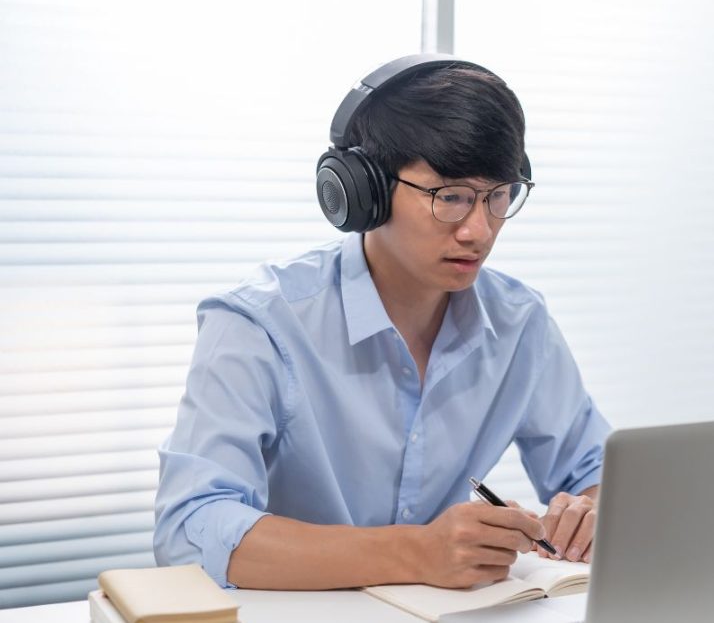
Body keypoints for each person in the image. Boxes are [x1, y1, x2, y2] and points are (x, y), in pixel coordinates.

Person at [153, 55, 611, 591]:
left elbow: (599, 472)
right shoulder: (259, 324)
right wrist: (414, 553)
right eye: (451, 197)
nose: (479, 231)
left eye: (498, 196)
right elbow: (189, 529)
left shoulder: (519, 322)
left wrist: (589, 513)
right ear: (362, 191)